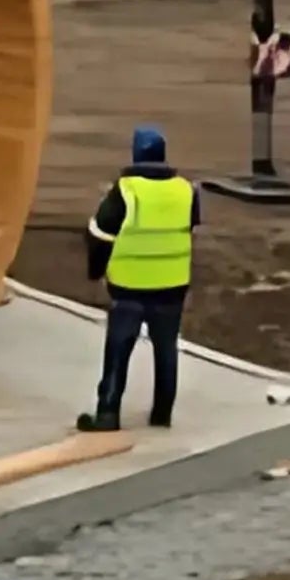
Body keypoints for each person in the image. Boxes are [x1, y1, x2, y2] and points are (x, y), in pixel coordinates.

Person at [77, 125, 199, 433]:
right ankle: (162, 413)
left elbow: (100, 234)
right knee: (167, 349)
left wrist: (95, 271)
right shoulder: (186, 190)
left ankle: (108, 414)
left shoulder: (125, 190)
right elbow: (189, 227)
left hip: (129, 286)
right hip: (172, 285)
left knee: (118, 350)